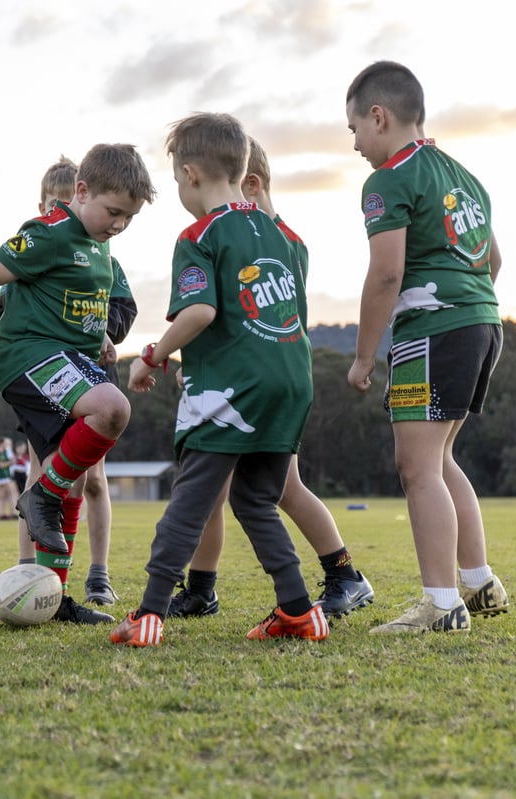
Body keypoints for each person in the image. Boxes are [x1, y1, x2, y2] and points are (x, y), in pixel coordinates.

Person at [111, 112, 328, 647]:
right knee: (256, 500)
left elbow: (201, 312)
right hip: (292, 384)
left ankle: (148, 614)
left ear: (188, 175)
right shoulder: (288, 237)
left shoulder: (199, 235)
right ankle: (299, 610)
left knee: (190, 500)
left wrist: (152, 356)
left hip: (231, 390)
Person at [0, 143, 156, 625]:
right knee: (113, 410)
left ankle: (53, 596)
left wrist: (99, 336)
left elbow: (83, 306)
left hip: (72, 360)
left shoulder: (101, 247)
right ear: (81, 191)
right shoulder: (49, 232)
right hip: (29, 358)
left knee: (72, 475)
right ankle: (40, 495)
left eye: (129, 218)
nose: (118, 224)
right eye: (113, 211)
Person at [167, 136, 375, 622]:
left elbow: (253, 317)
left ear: (250, 185)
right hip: (256, 378)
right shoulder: (278, 240)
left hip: (262, 384)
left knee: (282, 487)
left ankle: (344, 574)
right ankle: (202, 588)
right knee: (217, 489)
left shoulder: (274, 241)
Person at [344, 61, 509, 634]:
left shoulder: (389, 179)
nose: (357, 145)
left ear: (378, 116)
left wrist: (364, 357)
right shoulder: (462, 175)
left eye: (355, 130)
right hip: (483, 323)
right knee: (439, 460)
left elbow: (386, 275)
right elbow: (493, 261)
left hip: (435, 331)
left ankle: (441, 605)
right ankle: (478, 580)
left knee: (416, 466)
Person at [1, 156, 139, 607]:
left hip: (94, 375)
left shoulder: (105, 256)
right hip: (48, 372)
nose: (59, 215)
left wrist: (101, 332)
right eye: (51, 206)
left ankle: (96, 574)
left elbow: (121, 312)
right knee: (43, 474)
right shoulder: (37, 245)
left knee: (89, 479)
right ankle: (33, 573)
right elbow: (9, 312)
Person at [0, 437, 19, 520]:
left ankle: (2, 514)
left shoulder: (3, 452)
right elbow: (1, 465)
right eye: (7, 443)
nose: (9, 445)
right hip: (2, 476)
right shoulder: (0, 452)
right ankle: (12, 513)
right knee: (13, 493)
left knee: (1, 496)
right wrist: (10, 462)